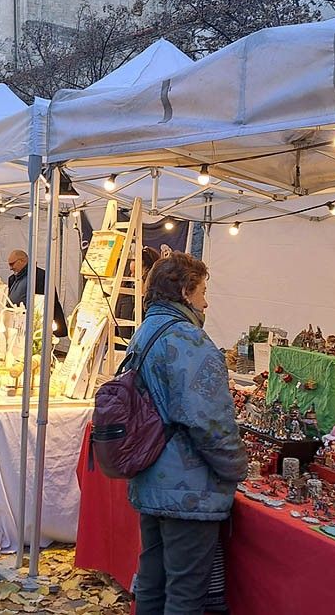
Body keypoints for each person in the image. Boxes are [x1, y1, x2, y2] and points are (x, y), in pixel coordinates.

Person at [126, 252, 247, 615]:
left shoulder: (146, 330)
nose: (206, 301)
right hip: (187, 487)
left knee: (152, 579)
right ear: (184, 290)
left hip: (152, 475)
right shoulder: (189, 341)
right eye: (202, 290)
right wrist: (236, 468)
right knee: (185, 591)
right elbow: (209, 420)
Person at [6, 249, 67, 336]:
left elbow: (48, 302)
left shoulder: (40, 276)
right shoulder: (12, 279)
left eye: (12, 264)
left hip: (34, 323)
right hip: (17, 323)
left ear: (22, 261)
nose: (10, 268)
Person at [115, 246, 161, 343]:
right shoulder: (126, 295)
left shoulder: (156, 303)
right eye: (131, 273)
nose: (132, 277)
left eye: (135, 273)